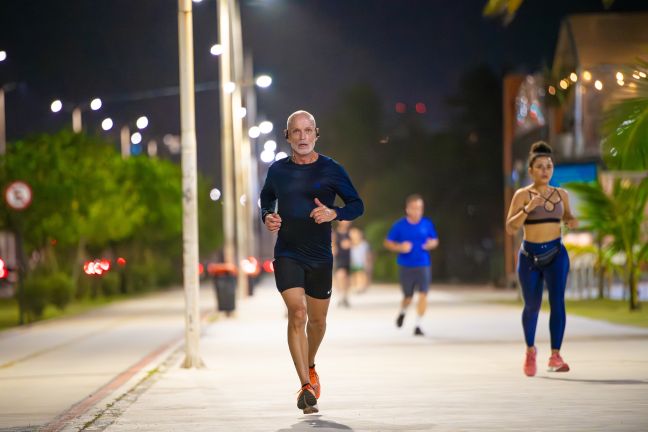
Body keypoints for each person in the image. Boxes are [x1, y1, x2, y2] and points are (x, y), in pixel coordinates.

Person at [260, 110, 364, 414]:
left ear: (316, 134)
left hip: (320, 256)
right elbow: (266, 198)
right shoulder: (277, 171)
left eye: (308, 131)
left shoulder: (332, 169)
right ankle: (306, 386)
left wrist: (335, 213)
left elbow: (357, 205)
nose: (302, 137)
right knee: (298, 313)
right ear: (287, 136)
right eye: (296, 132)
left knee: (318, 322)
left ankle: (310, 364)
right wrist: (268, 215)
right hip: (288, 252)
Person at [505, 141, 578, 377]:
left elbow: (568, 216)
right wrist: (528, 208)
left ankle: (555, 355)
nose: (545, 170)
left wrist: (571, 220)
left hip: (556, 254)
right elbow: (510, 227)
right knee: (532, 305)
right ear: (531, 171)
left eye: (549, 166)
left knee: (558, 302)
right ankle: (530, 350)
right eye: (540, 166)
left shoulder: (562, 195)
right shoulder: (522, 195)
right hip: (529, 257)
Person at [384, 194, 439, 336]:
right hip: (405, 265)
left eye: (420, 208)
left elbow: (435, 240)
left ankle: (418, 325)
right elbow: (387, 243)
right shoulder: (399, 225)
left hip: (423, 264)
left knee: (423, 295)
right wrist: (399, 247)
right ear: (407, 209)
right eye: (414, 208)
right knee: (408, 297)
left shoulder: (427, 224)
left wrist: (431, 244)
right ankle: (402, 312)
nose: (417, 211)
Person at [332, 220, 352, 307]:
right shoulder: (335, 233)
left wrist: (351, 243)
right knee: (341, 275)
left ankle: (345, 296)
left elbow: (358, 242)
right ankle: (341, 295)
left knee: (347, 278)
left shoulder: (352, 233)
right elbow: (332, 244)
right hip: (339, 258)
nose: (347, 222)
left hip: (349, 258)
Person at [349, 226, 371, 293]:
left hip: (361, 261)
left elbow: (367, 254)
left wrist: (368, 262)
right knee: (353, 274)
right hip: (353, 261)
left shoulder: (364, 244)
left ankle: (361, 286)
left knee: (361, 274)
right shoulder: (350, 244)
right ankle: (354, 286)